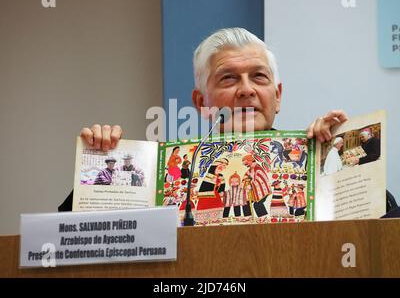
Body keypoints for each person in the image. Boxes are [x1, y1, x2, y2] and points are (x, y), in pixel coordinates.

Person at [59, 27, 396, 212]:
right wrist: (105, 163)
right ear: (201, 102)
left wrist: (340, 159)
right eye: (228, 79)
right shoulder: (166, 168)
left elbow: (388, 230)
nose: (246, 90)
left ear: (277, 97)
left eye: (259, 78)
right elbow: (72, 237)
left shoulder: (315, 158)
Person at [195, 158, 228, 224]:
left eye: (224, 166)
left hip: (216, 197)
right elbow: (205, 186)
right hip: (206, 197)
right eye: (221, 165)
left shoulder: (221, 176)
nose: (222, 168)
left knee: (216, 215)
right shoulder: (209, 175)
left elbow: (222, 188)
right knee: (204, 215)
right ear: (215, 165)